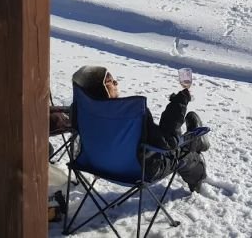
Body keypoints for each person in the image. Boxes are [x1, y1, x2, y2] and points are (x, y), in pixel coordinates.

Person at [71, 66, 209, 192]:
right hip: (139, 172)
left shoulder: (81, 111)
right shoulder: (130, 114)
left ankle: (195, 141)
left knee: (169, 142)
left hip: (94, 165)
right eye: (111, 81)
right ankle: (196, 162)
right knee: (182, 153)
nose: (116, 83)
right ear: (101, 88)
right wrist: (180, 101)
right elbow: (167, 142)